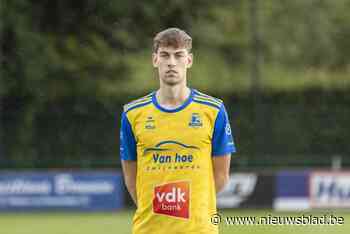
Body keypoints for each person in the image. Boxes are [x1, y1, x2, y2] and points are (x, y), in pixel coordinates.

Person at [120, 27, 236, 234]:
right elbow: (131, 179)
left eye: (178, 55)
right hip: (150, 229)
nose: (171, 62)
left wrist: (192, 208)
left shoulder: (213, 110)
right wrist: (161, 211)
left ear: (188, 61)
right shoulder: (132, 113)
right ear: (155, 60)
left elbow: (221, 176)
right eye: (164, 55)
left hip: (199, 229)